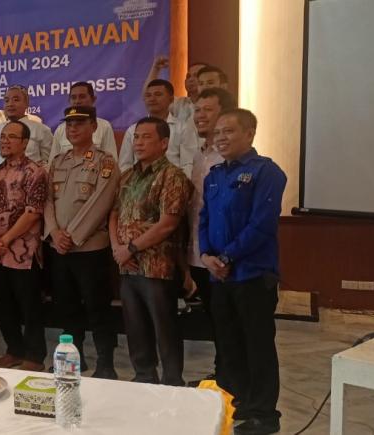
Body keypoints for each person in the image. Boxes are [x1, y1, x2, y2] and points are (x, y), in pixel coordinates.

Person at [199, 108, 285, 435]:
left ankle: (264, 414)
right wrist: (207, 256)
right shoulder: (214, 175)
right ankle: (240, 404)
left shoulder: (267, 172)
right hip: (220, 276)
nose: (220, 137)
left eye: (229, 131)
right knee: (229, 345)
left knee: (257, 345)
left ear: (249, 134)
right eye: (217, 132)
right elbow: (204, 220)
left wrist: (227, 257)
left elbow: (261, 225)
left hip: (252, 275)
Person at [109, 117, 192, 386]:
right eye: (137, 137)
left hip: (157, 267)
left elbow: (168, 223)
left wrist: (131, 248)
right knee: (135, 328)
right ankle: (144, 377)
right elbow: (114, 214)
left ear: (164, 143)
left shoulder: (172, 176)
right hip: (127, 265)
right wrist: (118, 249)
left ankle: (172, 382)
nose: (139, 142)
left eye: (146, 137)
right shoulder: (128, 176)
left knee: (164, 328)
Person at [44, 106, 121, 379]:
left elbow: (101, 202)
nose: (73, 128)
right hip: (59, 248)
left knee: (98, 308)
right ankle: (73, 360)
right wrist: (55, 233)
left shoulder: (104, 161)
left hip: (89, 249)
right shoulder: (58, 161)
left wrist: (72, 235)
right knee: (66, 307)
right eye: (69, 124)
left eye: (79, 123)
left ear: (93, 127)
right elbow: (47, 201)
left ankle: (105, 363)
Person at [0, 121, 48, 372]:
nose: (5, 141)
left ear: (25, 142)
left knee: (29, 305)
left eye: (11, 137)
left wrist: (7, 239)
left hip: (23, 251)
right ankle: (14, 350)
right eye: (2, 137)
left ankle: (35, 355)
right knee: (3, 304)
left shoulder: (35, 172)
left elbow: (33, 213)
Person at [186, 88, 237, 377]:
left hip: (222, 257)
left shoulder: (230, 157)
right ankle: (222, 374)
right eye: (197, 110)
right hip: (198, 252)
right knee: (215, 319)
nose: (200, 116)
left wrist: (223, 255)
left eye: (207, 109)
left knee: (230, 321)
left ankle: (232, 379)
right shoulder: (199, 155)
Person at [0, 75, 53, 167]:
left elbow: (48, 163)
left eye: (16, 100)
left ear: (26, 104)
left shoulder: (41, 129)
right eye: (7, 100)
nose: (10, 104)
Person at [119, 79, 199, 176]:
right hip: (139, 182)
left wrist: (178, 183)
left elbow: (188, 163)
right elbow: (125, 165)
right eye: (148, 95)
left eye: (158, 94)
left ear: (171, 99)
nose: (152, 99)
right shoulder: (132, 130)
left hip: (173, 181)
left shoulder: (183, 128)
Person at [51, 82, 119, 161]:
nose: (77, 101)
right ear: (69, 101)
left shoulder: (104, 126)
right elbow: (52, 162)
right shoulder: (60, 129)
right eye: (73, 98)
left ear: (93, 99)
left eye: (82, 97)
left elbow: (111, 160)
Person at [144, 56, 209, 122]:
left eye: (196, 75)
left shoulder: (214, 105)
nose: (191, 79)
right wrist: (156, 68)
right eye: (188, 76)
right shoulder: (179, 104)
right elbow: (148, 93)